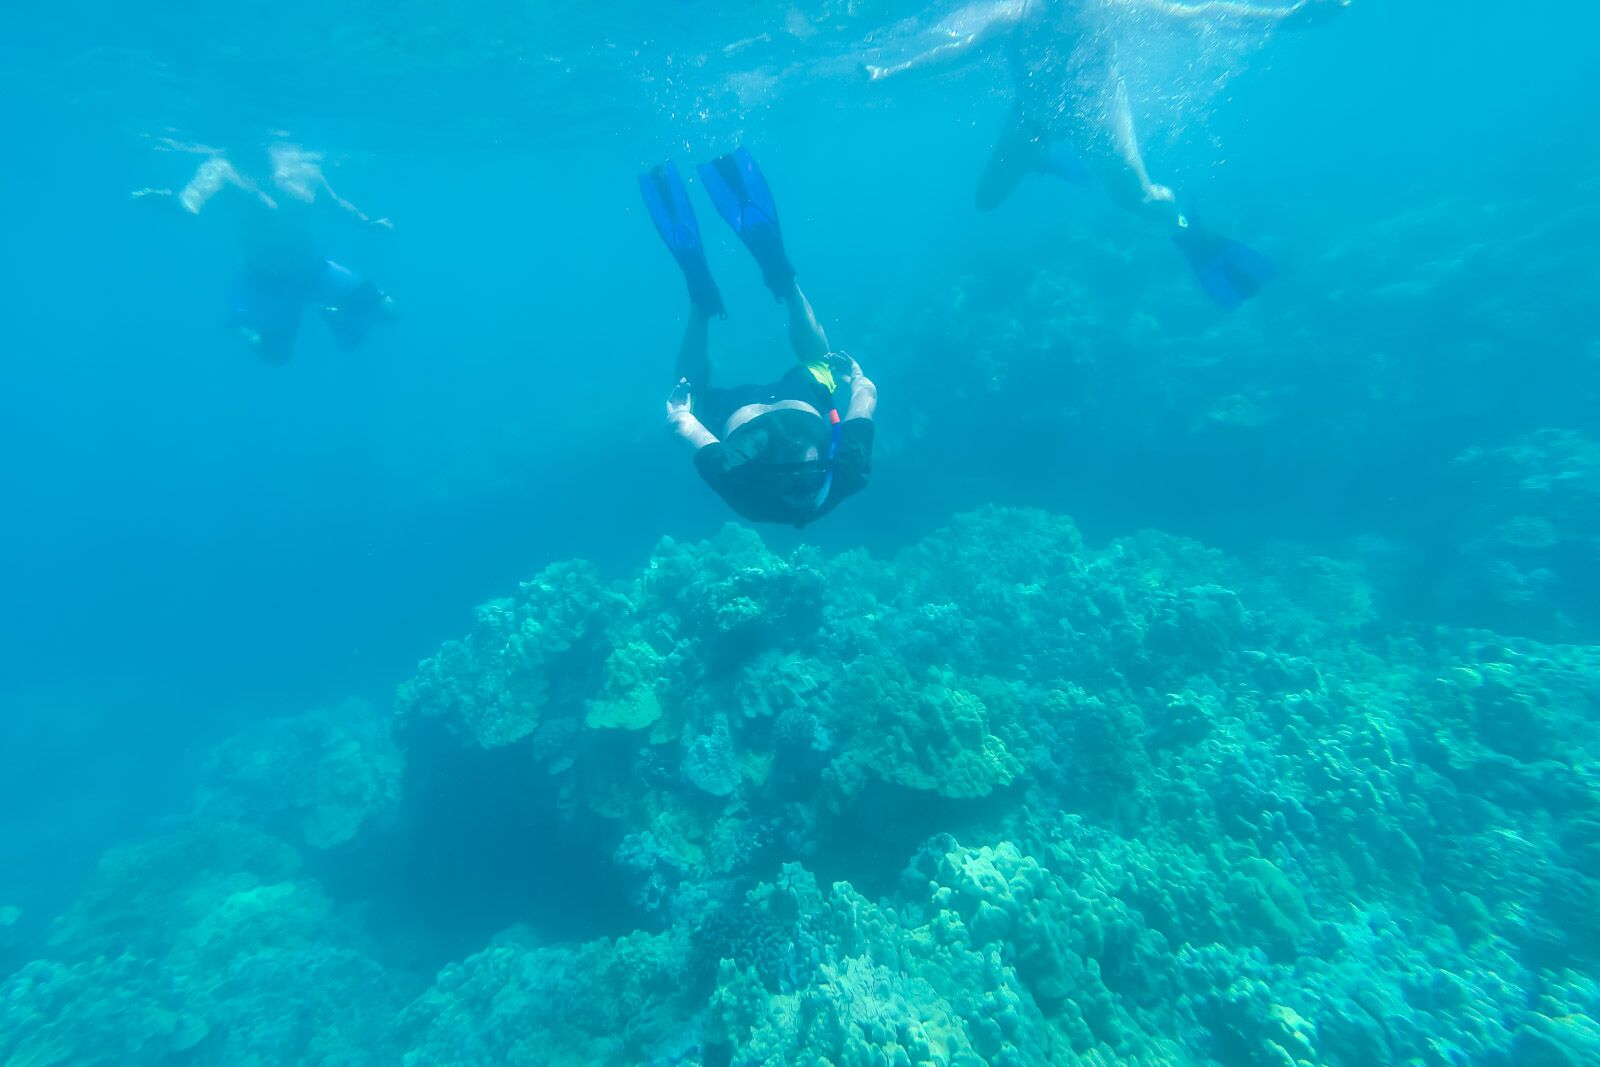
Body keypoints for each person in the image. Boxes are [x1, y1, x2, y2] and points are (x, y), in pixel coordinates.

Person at [864, 0, 1348, 308]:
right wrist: (889, 75)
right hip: (1031, 117)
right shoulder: (1012, 17)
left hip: (1097, 118)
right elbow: (957, 53)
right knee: (986, 200)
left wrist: (1283, 19)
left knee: (1137, 200)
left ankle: (1190, 231)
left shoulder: (1112, 8)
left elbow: (1199, 16)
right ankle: (1043, 158)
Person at [639, 147, 877, 528]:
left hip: (801, 400)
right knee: (688, 389)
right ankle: (701, 304)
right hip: (738, 414)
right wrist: (681, 408)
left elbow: (866, 400)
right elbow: (681, 425)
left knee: (818, 362)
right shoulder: (741, 484)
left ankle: (788, 284)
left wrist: (855, 377)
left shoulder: (846, 472)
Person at [134, 141, 397, 363]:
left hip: (315, 269)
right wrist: (172, 205)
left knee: (390, 312)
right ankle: (242, 328)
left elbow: (337, 203)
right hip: (266, 281)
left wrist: (367, 223)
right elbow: (191, 202)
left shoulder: (305, 168)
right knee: (278, 357)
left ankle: (336, 317)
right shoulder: (223, 167)